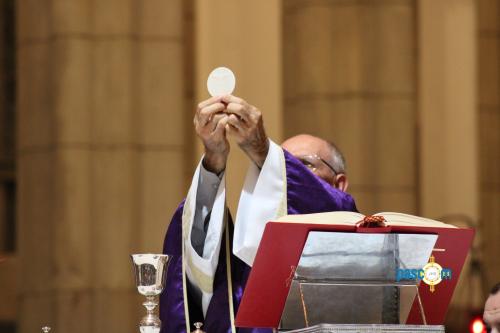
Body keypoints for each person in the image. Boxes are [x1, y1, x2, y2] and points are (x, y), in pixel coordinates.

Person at [160, 95, 357, 333]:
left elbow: (334, 208)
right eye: (283, 165)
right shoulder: (248, 262)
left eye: (302, 165)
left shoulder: (354, 232)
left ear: (339, 184)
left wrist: (263, 150)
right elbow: (203, 267)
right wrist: (213, 162)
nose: (284, 176)